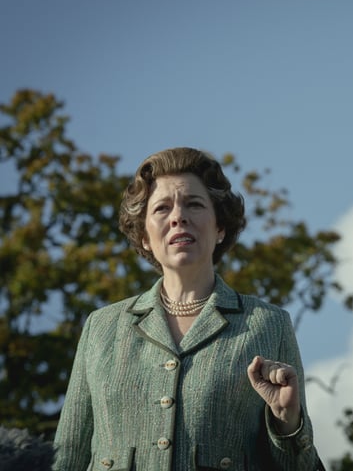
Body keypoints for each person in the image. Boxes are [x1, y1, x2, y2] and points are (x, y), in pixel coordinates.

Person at [53, 147, 324, 470]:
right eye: (162, 208)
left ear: (220, 227)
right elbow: (65, 458)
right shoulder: (101, 327)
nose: (178, 217)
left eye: (194, 204)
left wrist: (287, 422)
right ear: (143, 236)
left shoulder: (269, 325)